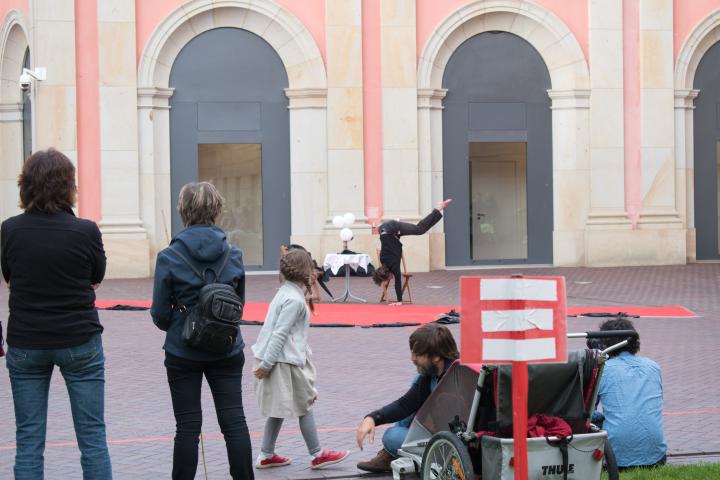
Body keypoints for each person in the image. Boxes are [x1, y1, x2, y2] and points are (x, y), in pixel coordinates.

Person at [0, 148, 112, 479]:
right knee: (92, 439)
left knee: (29, 441)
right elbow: (97, 276)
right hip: (79, 339)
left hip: (27, 341)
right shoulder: (85, 230)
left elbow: (8, 275)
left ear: (26, 186)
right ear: (68, 186)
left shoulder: (10, 230)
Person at [151, 182, 253, 479]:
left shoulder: (168, 256)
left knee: (187, 427)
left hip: (182, 350)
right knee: (234, 422)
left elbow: (159, 314)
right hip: (227, 347)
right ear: (217, 210)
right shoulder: (233, 254)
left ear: (183, 211)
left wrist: (181, 321)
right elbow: (238, 307)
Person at [252, 249, 349, 470]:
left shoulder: (285, 293)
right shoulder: (294, 300)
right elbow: (280, 334)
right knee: (304, 403)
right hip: (283, 362)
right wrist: (266, 365)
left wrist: (266, 362)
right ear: (306, 271)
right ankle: (317, 453)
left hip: (278, 360)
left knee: (279, 408)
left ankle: (266, 454)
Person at [355, 323, 459, 473]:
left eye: (417, 354)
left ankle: (392, 453)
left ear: (436, 356)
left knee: (391, 436)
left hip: (448, 444)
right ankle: (393, 453)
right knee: (417, 384)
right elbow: (405, 404)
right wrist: (372, 418)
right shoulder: (433, 373)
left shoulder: (454, 378)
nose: (412, 358)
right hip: (438, 433)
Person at [591, 317, 667, 469]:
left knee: (589, 421)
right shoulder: (654, 367)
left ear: (605, 344)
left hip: (615, 460)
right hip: (656, 457)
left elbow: (587, 412)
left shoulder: (602, 369)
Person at [372, 199, 452, 305]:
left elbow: (397, 282)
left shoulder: (394, 266)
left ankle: (438, 208)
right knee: (418, 230)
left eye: (386, 279)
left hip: (393, 229)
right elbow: (390, 244)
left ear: (387, 275)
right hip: (384, 229)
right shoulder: (383, 260)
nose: (388, 281)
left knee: (420, 229)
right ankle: (435, 211)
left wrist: (399, 301)